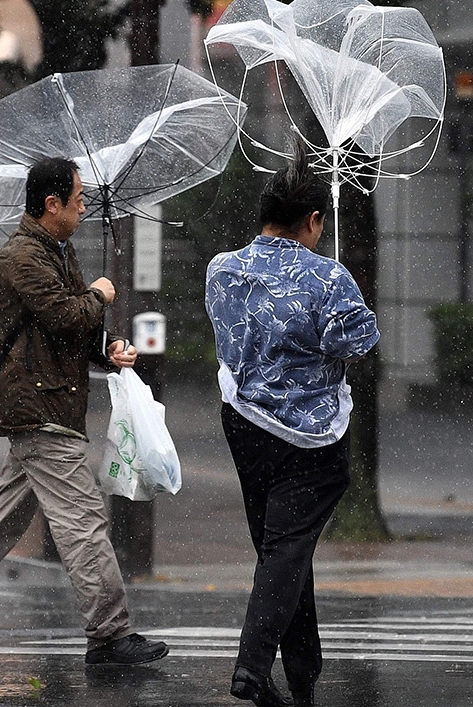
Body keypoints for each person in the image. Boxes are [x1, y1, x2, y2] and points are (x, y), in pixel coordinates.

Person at [0, 157, 169, 668]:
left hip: (49, 404)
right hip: (40, 409)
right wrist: (99, 294)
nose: (84, 207)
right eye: (79, 199)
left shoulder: (55, 252)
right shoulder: (23, 257)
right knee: (84, 521)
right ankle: (109, 634)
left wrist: (106, 346)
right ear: (52, 204)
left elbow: (70, 330)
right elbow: (67, 314)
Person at [205, 143, 379, 707]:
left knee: (282, 546)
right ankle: (253, 668)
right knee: (287, 547)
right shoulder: (328, 278)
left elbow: (235, 337)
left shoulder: (222, 270)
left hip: (245, 423)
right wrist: (347, 292)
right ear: (312, 220)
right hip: (311, 436)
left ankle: (303, 670)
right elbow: (354, 341)